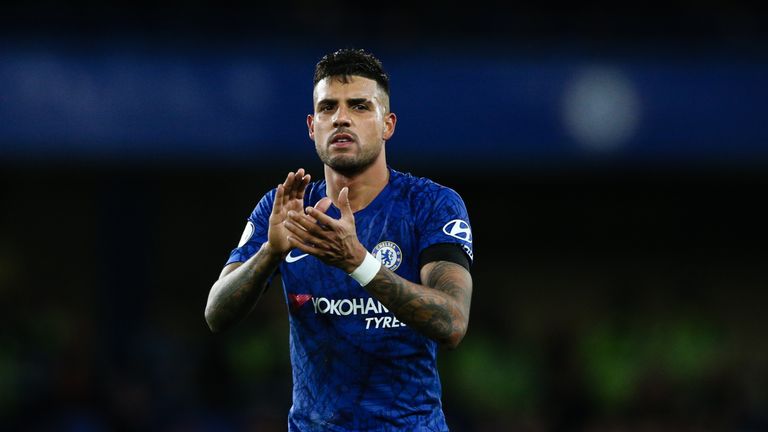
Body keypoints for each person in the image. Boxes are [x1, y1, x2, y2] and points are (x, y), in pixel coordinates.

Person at [205, 48, 474, 431]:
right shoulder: (285, 207)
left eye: (360, 106)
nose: (342, 118)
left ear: (388, 125)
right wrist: (269, 253)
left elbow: (452, 323)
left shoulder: (431, 205)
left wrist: (359, 263)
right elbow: (216, 313)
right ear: (313, 126)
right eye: (329, 107)